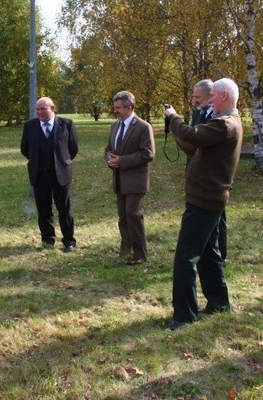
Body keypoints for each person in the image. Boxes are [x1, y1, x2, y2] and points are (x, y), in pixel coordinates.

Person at [164, 78, 243, 330]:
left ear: (223, 97)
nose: (209, 101)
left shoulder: (225, 124)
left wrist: (173, 117)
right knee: (210, 253)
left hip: (205, 200)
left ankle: (185, 315)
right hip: (210, 197)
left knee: (185, 256)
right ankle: (219, 303)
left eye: (213, 97)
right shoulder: (226, 123)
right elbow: (196, 148)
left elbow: (191, 134)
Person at [20, 96, 79, 251]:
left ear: (52, 108)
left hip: (61, 175)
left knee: (64, 209)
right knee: (44, 209)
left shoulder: (66, 124)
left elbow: (73, 148)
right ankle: (48, 240)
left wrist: (61, 162)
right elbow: (24, 149)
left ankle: (69, 241)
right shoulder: (30, 126)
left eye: (43, 109)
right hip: (39, 175)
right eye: (37, 109)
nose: (39, 112)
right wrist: (37, 162)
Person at [104, 91, 155, 265]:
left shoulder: (142, 127)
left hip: (136, 180)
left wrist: (122, 161)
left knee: (133, 214)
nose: (115, 110)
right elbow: (109, 148)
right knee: (123, 216)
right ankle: (126, 249)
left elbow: (148, 154)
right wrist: (110, 159)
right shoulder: (115, 126)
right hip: (119, 179)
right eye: (115, 107)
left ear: (129, 107)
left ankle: (140, 253)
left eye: (118, 108)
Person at [187, 79, 229, 263]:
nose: (194, 100)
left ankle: (221, 255)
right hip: (197, 175)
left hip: (214, 180)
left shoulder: (219, 119)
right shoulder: (198, 113)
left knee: (219, 220)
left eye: (198, 97)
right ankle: (207, 254)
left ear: (209, 96)